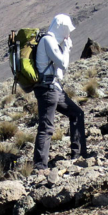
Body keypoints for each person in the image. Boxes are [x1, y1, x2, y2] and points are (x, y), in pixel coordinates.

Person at [33, 14, 88, 169]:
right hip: (47, 89)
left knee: (77, 114)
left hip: (54, 88)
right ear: (60, 27)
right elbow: (63, 64)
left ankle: (79, 154)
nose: (68, 33)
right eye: (66, 29)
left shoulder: (52, 41)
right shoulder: (48, 40)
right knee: (46, 127)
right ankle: (39, 166)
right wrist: (67, 48)